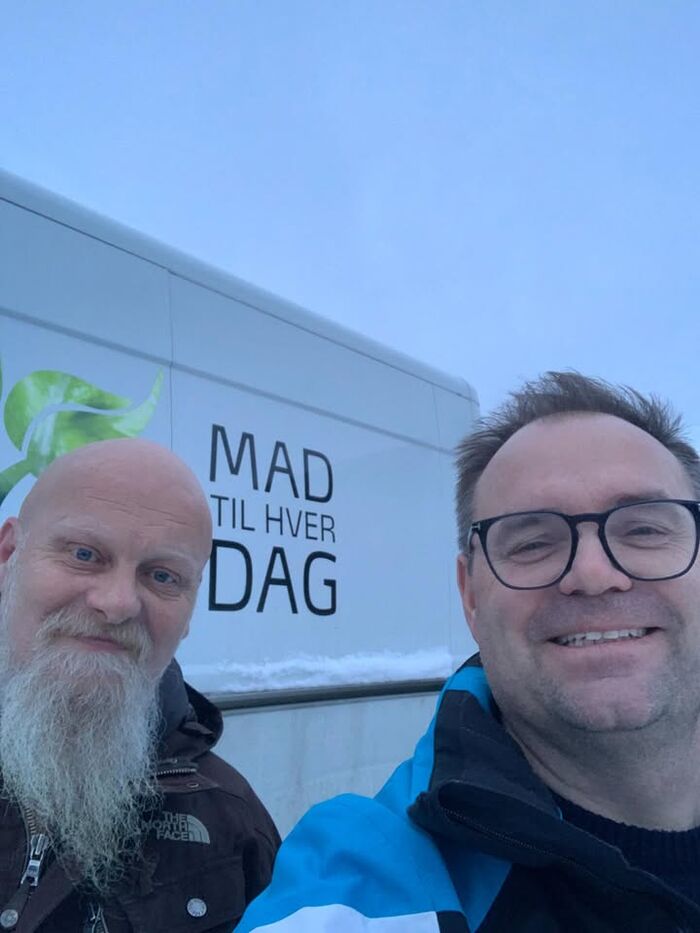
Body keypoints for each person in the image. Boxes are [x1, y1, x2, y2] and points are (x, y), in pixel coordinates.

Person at [237, 371, 700, 932]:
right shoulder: (360, 897)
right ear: (470, 597)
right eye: (533, 542)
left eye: (644, 530)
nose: (593, 574)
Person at [0, 438, 280, 932]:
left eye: (163, 576)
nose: (118, 603)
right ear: (8, 556)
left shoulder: (233, 823)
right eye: (85, 554)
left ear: (190, 611)